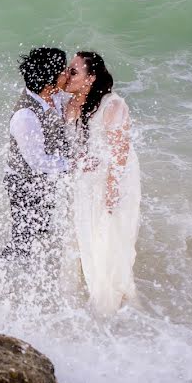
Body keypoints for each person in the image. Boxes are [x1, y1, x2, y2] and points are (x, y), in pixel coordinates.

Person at [61, 51, 141, 314]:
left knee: (108, 236)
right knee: (83, 233)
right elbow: (74, 150)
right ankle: (84, 290)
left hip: (114, 180)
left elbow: (119, 154)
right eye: (68, 70)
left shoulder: (112, 106)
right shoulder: (70, 105)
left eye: (74, 71)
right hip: (86, 180)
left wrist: (112, 191)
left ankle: (109, 301)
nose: (68, 75)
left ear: (91, 78)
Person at [2, 47, 73, 260]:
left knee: (42, 225)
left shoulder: (53, 95)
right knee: (24, 236)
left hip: (45, 177)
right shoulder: (25, 116)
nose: (67, 73)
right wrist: (73, 164)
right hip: (22, 181)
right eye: (63, 71)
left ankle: (38, 263)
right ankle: (11, 270)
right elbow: (38, 162)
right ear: (49, 82)